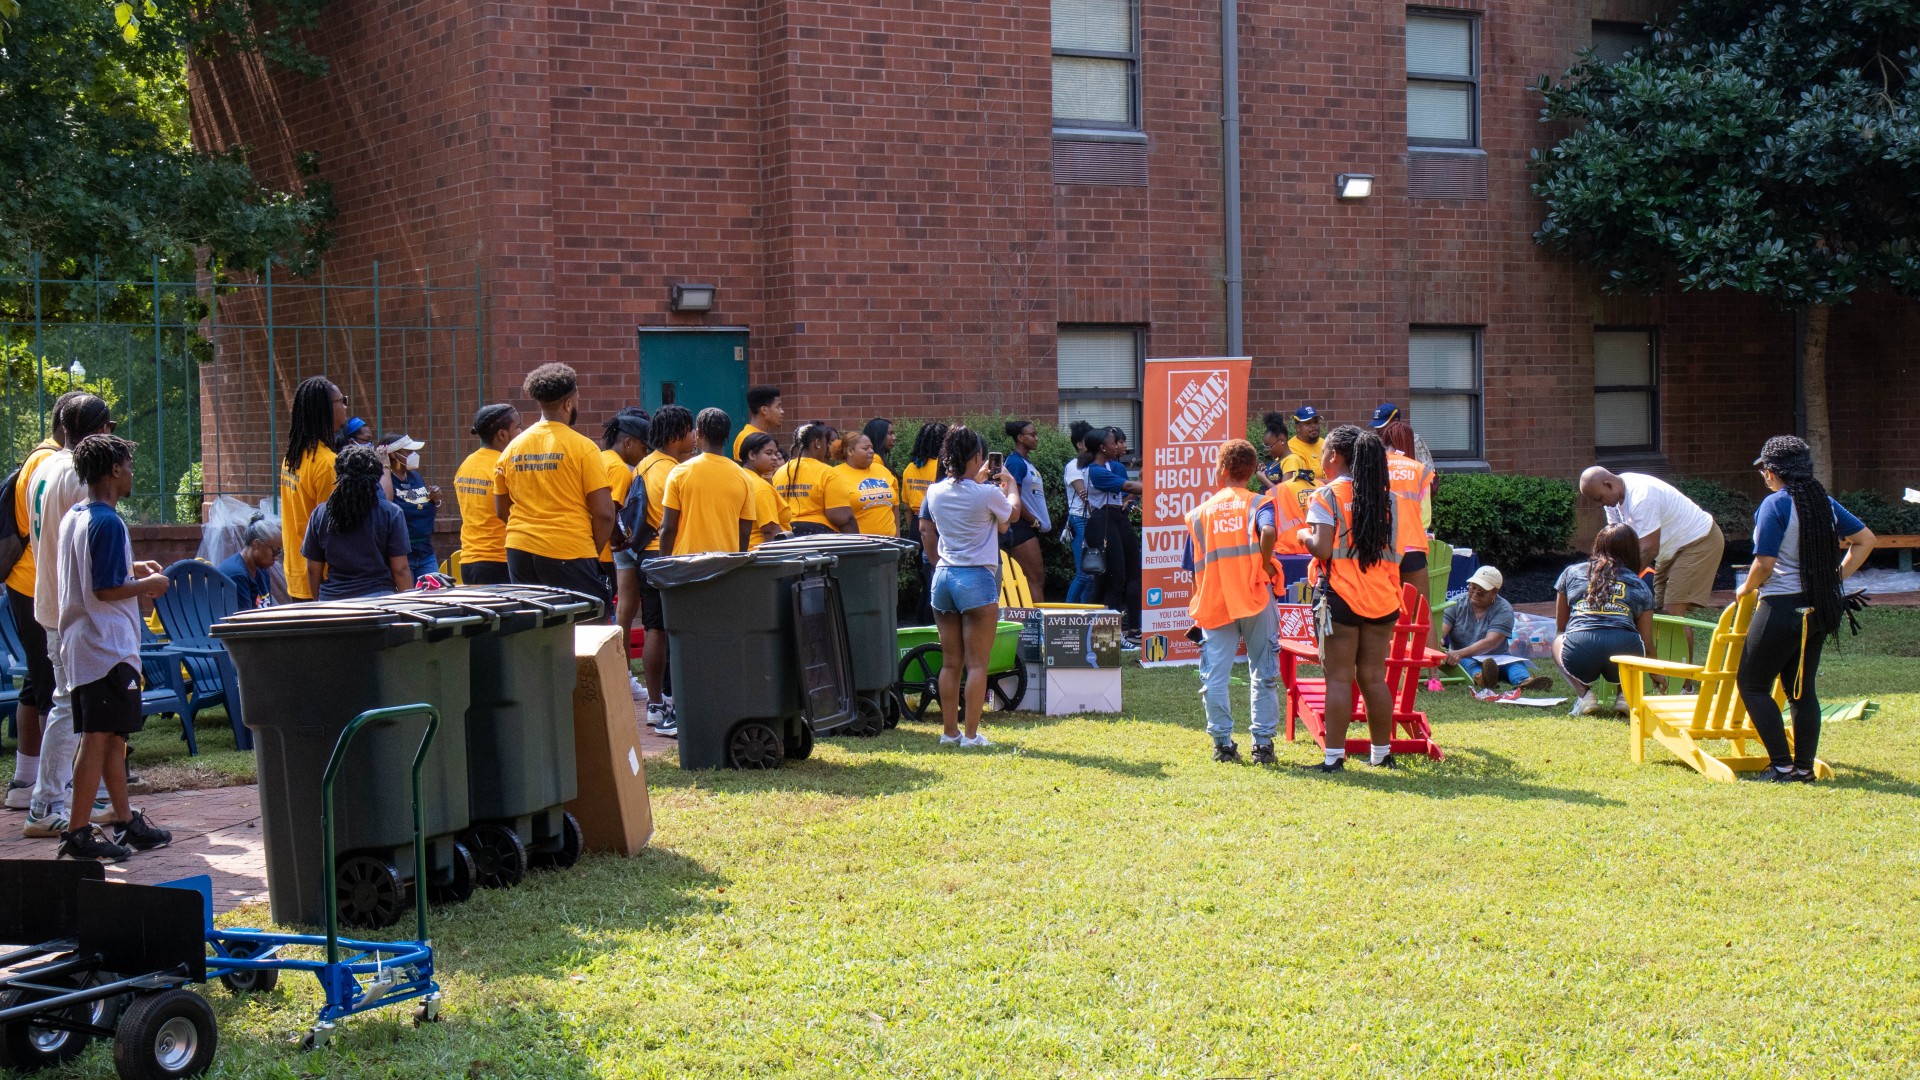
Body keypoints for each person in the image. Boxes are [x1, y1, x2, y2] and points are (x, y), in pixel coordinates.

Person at [51, 434, 172, 862]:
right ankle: (78, 831)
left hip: (87, 644)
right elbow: (103, 588)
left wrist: (131, 567)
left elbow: (89, 573)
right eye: (129, 465)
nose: (133, 473)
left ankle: (124, 822)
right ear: (114, 470)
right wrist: (147, 585)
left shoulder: (76, 517)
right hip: (105, 647)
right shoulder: (107, 521)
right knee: (98, 737)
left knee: (113, 738)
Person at [1735, 436, 1874, 783]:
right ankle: (1804, 768)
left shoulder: (1774, 505)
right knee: (1800, 690)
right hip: (1818, 609)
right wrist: (1831, 579)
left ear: (1772, 471)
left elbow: (1765, 563)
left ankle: (1782, 766)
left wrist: (1746, 587)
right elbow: (1866, 540)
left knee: (1752, 686)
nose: (1764, 476)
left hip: (1780, 607)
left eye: (1764, 469)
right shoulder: (1821, 501)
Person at [23, 394, 117, 840]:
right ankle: (44, 803)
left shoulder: (42, 467)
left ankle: (73, 793)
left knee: (74, 703)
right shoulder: (82, 474)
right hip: (73, 608)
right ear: (102, 429)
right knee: (70, 704)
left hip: (51, 602)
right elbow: (90, 547)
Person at [1298, 425, 1403, 771]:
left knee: (1339, 678)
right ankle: (1381, 754)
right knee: (1374, 677)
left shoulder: (1326, 496)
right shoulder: (1390, 500)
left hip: (1339, 598)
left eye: (1325, 453)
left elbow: (1323, 546)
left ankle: (1333, 759)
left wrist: (1303, 536)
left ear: (1335, 456)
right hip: (1384, 600)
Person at [4, 389, 82, 813]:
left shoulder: (42, 460)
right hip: (39, 583)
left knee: (38, 683)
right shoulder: (53, 462)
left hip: (35, 582)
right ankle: (47, 788)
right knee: (52, 687)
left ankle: (26, 780)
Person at [919, 426, 1021, 748]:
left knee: (951, 663)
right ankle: (972, 736)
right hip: (976, 577)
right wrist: (1011, 484)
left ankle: (949, 733)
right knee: (978, 664)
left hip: (944, 577)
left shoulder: (933, 492)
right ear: (977, 456)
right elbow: (1011, 517)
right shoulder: (989, 493)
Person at [1183, 440, 1281, 764]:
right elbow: (1268, 532)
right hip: (1254, 596)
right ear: (1252, 471)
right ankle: (1262, 745)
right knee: (1263, 672)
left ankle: (1223, 744)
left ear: (1222, 470)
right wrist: (1265, 563)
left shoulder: (1200, 514)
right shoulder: (1259, 504)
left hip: (1216, 601)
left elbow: (1191, 566)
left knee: (1215, 677)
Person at [493, 363, 615, 607]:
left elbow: (501, 509)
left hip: (519, 552)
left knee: (535, 629)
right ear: (568, 403)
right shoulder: (583, 448)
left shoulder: (512, 448)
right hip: (569, 551)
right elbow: (603, 514)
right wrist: (590, 550)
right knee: (588, 630)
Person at [1579, 466, 1725, 618]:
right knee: (1656, 611)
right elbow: (1617, 539)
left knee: (1673, 615)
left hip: (1698, 542)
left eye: (1599, 498)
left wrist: (1622, 579)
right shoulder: (1612, 500)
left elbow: (1649, 548)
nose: (1599, 504)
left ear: (1608, 485)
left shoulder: (1641, 496)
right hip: (1669, 550)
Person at [629, 405, 695, 737]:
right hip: (668, 556)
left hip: (644, 556)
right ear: (676, 434)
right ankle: (675, 702)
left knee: (654, 628)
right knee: (676, 630)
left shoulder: (642, 464)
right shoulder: (674, 471)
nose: (695, 437)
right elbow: (673, 523)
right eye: (690, 430)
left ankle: (655, 704)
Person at [1553, 523, 1656, 716]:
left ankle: (1585, 696)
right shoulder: (1639, 584)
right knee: (1632, 637)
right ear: (1633, 551)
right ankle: (1624, 697)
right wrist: (1656, 672)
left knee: (1559, 637)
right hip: (1624, 653)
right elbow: (1647, 642)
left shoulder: (1571, 573)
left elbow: (1561, 625)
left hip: (1580, 651)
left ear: (1597, 546)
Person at [303, 444, 412, 600]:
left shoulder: (321, 513)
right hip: (379, 600)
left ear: (339, 473)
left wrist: (318, 603)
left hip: (333, 600)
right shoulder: (391, 513)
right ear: (376, 475)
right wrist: (407, 605)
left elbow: (313, 569)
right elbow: (400, 569)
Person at [279, 377, 348, 601]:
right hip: (322, 581)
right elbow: (331, 529)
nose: (345, 406)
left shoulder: (293, 456)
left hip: (297, 572)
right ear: (327, 409)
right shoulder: (327, 464)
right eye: (342, 401)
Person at [660, 408, 757, 556]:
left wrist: (663, 566)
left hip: (686, 564)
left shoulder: (680, 472)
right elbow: (744, 532)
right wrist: (738, 563)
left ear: (698, 434)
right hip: (726, 564)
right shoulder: (744, 477)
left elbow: (668, 527)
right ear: (727, 436)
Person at [1441, 566, 1551, 692]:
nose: (1475, 592)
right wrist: (1439, 640)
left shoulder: (1503, 609)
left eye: (1482, 590)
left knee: (1513, 664)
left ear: (1494, 592)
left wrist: (1459, 653)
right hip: (1464, 656)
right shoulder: (1456, 603)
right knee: (1468, 663)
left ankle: (1525, 681)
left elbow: (1491, 642)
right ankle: (1481, 678)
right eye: (1473, 587)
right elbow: (1441, 630)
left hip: (1497, 655)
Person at [1086, 427, 1143, 641]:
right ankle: (1109, 637)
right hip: (1103, 522)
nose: (1118, 445)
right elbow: (1129, 486)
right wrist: (1159, 485)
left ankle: (1133, 631)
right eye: (1113, 443)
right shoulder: (1095, 471)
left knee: (1132, 573)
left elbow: (1127, 489)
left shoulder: (1112, 466)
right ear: (1102, 447)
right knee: (1114, 579)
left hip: (1118, 520)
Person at [454, 404, 520, 585]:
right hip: (499, 562)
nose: (521, 432)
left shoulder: (466, 464)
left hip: (468, 562)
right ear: (502, 435)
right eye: (518, 427)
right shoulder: (505, 465)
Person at [1381, 419, 1435, 606]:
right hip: (1413, 547)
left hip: (1381, 548)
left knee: (1383, 613)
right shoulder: (1420, 470)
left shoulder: (1372, 468)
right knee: (1421, 612)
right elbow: (1425, 518)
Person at [600, 408, 651, 595]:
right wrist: (619, 540)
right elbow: (609, 513)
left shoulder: (600, 458)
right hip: (601, 553)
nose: (646, 455)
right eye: (644, 448)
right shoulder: (619, 469)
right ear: (628, 443)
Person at [775, 423, 856, 535]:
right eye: (825, 443)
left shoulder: (780, 472)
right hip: (818, 536)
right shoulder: (828, 473)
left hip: (786, 536)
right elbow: (841, 517)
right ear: (817, 443)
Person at [379, 433, 440, 581]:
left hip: (425, 552)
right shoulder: (384, 478)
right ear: (394, 454)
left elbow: (421, 510)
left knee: (434, 595)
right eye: (409, 451)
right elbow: (386, 505)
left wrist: (435, 500)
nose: (414, 455)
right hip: (402, 555)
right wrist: (385, 467)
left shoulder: (415, 477)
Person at [1001, 420, 1051, 602]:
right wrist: (1033, 521)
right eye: (1032, 434)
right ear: (1020, 438)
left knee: (1035, 579)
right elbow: (1015, 498)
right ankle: (1036, 627)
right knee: (1034, 579)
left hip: (1028, 527)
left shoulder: (1024, 462)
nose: (1036, 438)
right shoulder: (1015, 462)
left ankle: (1034, 626)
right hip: (1020, 527)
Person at [834, 431, 901, 537]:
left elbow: (895, 507)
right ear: (850, 451)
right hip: (860, 546)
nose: (871, 451)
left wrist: (898, 539)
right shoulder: (835, 475)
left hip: (890, 543)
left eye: (871, 448)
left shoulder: (882, 470)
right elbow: (836, 516)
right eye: (865, 448)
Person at [1061, 420, 1097, 603]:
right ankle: (1065, 613)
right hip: (1080, 520)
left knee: (1092, 575)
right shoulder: (1074, 465)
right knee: (1084, 573)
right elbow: (1084, 494)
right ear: (1079, 444)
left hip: (1091, 521)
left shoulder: (1093, 465)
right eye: (1087, 440)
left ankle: (1083, 616)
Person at [217, 514, 282, 610]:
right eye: (275, 551)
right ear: (257, 545)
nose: (276, 558)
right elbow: (244, 622)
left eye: (279, 552)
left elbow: (267, 610)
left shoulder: (261, 570)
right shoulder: (237, 575)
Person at [738, 432, 790, 548]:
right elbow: (770, 530)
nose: (775, 458)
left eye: (776, 454)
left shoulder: (740, 478)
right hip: (760, 555)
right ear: (751, 455)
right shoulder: (760, 487)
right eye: (768, 453)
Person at [899, 422, 947, 523]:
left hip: (916, 521)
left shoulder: (910, 467)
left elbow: (907, 508)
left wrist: (912, 529)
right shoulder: (943, 467)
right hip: (938, 520)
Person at [1268, 454, 1314, 559]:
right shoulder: (1323, 487)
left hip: (1287, 551)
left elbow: (1269, 528)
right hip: (1316, 549)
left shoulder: (1276, 491)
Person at [1368, 403, 1433, 471]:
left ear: (1396, 421)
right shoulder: (1375, 441)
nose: (1378, 430)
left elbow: (1428, 468)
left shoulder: (1413, 439)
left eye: (1382, 426)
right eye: (1376, 426)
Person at [732, 385, 784, 460]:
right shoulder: (745, 438)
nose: (782, 411)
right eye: (778, 407)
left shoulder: (764, 435)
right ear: (764, 410)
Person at [1287, 405, 1324, 482]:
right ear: (1298, 427)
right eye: (1308, 423)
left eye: (1315, 422)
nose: (1313, 426)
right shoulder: (1291, 449)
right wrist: (1332, 483)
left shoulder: (1324, 443)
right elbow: (1303, 480)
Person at [1257, 411, 1292, 489]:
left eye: (1269, 445)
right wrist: (1264, 471)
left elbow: (1284, 493)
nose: (1267, 450)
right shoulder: (1275, 461)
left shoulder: (1291, 460)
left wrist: (1263, 478)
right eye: (1265, 446)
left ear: (1282, 440)